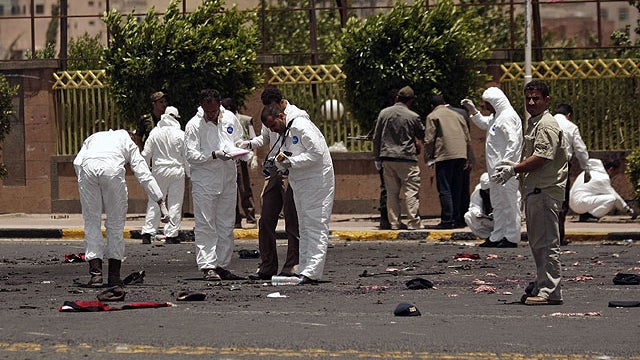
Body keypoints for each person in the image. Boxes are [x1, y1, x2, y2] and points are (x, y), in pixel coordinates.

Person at [491, 80, 568, 306]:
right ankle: (542, 283)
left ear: (547, 100)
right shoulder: (535, 123)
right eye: (528, 98)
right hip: (536, 191)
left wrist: (514, 169)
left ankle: (549, 291)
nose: (531, 102)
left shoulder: (546, 125)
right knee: (538, 243)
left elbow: (543, 157)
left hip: (545, 191)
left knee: (547, 244)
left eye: (536, 98)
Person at [73, 129, 169, 287]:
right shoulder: (127, 141)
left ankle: (96, 274)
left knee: (91, 221)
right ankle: (113, 276)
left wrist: (85, 184)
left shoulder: (94, 137)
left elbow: (77, 162)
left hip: (87, 169)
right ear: (132, 136)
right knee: (115, 224)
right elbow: (143, 173)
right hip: (112, 170)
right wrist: (160, 201)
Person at [262, 104, 335, 284]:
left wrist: (291, 162)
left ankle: (313, 271)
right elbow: (288, 157)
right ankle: (304, 268)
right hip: (301, 183)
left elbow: (316, 153)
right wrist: (277, 164)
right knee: (303, 227)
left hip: (317, 182)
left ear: (281, 116)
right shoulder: (286, 133)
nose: (273, 130)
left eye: (273, 126)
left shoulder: (301, 125)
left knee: (316, 226)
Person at [236, 87, 300, 280]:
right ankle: (267, 266)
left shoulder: (297, 117)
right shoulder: (269, 116)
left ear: (280, 103)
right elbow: (265, 138)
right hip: (274, 170)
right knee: (265, 219)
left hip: (289, 171)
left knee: (292, 219)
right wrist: (247, 144)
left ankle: (292, 265)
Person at [184, 89, 247, 281]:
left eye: (213, 111)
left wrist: (241, 150)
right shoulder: (194, 125)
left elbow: (238, 139)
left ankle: (222, 265)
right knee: (205, 224)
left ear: (220, 104)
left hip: (228, 178)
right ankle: (207, 265)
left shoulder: (230, 118)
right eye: (207, 111)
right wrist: (213, 154)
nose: (211, 115)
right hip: (205, 181)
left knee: (226, 223)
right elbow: (191, 156)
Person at [461, 87, 522, 247]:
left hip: (506, 172)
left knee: (509, 204)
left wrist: (507, 163)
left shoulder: (507, 117)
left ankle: (511, 237)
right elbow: (484, 123)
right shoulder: (497, 117)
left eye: (487, 104)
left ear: (495, 102)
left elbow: (513, 141)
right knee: (498, 204)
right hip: (496, 172)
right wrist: (473, 110)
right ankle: (498, 235)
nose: (485, 107)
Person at [372, 86, 425, 230]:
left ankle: (394, 223)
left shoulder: (384, 113)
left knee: (392, 193)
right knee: (411, 191)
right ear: (410, 101)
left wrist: (377, 158)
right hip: (407, 158)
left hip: (388, 158)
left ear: (397, 98)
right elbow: (421, 134)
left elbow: (376, 137)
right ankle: (414, 222)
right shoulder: (413, 116)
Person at [140, 106, 190, 245]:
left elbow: (146, 154)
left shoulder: (155, 133)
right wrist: (190, 173)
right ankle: (171, 234)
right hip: (176, 171)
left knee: (155, 201)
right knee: (175, 203)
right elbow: (186, 156)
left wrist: (145, 171)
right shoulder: (181, 134)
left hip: (158, 171)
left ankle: (148, 232)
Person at [424, 94, 472, 229]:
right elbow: (467, 137)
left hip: (444, 155)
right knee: (456, 188)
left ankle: (447, 220)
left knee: (444, 189)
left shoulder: (432, 116)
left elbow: (429, 140)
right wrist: (467, 156)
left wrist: (428, 158)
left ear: (432, 106)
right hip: (460, 155)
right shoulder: (458, 115)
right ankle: (456, 218)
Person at [553, 103, 591, 245]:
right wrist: (586, 169)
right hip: (562, 167)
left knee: (547, 200)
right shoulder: (571, 126)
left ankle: (548, 236)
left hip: (543, 165)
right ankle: (559, 236)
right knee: (561, 203)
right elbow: (580, 149)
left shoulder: (545, 122)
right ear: (568, 115)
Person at [221, 97, 258, 229]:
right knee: (231, 190)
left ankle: (250, 217)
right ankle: (236, 219)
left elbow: (253, 139)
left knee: (244, 188)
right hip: (229, 158)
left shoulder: (244, 120)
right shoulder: (222, 121)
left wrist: (254, 157)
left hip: (241, 157)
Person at [569, 158, 637, 221]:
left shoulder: (588, 172)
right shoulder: (602, 178)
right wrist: (628, 210)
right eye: (615, 173)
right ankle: (590, 216)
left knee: (603, 194)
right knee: (611, 199)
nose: (613, 176)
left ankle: (585, 215)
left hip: (574, 203)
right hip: (580, 203)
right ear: (611, 169)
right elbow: (615, 196)